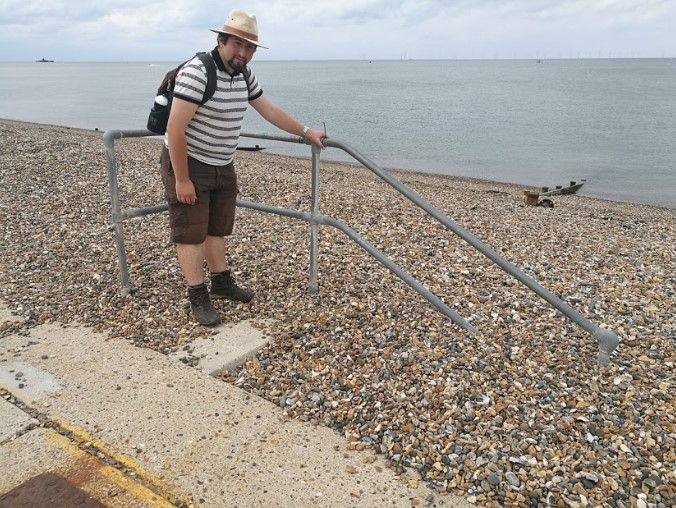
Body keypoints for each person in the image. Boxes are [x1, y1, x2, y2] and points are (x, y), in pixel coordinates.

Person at [161, 9, 326, 325]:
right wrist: (182, 179)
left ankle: (221, 283)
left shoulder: (243, 74)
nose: (243, 53)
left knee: (217, 226)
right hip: (189, 161)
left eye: (250, 47)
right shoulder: (198, 73)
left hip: (223, 162)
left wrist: (307, 132)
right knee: (190, 232)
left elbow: (270, 110)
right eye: (237, 44)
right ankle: (198, 294)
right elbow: (175, 129)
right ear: (221, 41)